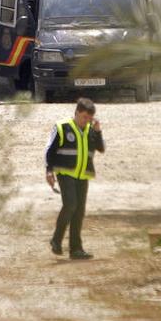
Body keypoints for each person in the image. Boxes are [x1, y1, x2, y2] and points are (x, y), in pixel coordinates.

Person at [44, 98, 105, 260]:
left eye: (89, 119)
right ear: (77, 113)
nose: (86, 121)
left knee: (79, 211)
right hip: (65, 173)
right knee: (70, 205)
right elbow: (49, 151)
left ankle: (76, 249)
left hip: (82, 175)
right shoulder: (62, 127)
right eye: (84, 117)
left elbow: (101, 148)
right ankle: (56, 240)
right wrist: (49, 171)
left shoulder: (91, 130)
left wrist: (98, 131)